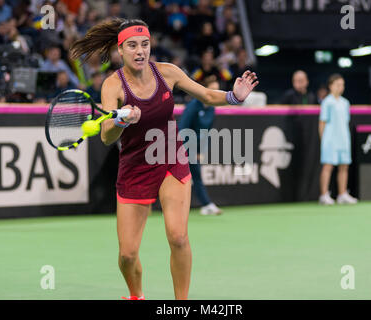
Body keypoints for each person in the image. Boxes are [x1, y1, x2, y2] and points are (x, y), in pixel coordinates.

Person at [70, 18, 258, 300]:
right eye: (132, 46)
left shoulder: (167, 72)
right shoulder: (112, 85)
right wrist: (122, 121)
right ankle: (136, 295)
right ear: (121, 51)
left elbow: (206, 94)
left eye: (144, 44)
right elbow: (107, 136)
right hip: (134, 168)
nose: (140, 51)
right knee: (127, 255)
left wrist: (234, 96)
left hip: (170, 157)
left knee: (178, 237)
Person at [178, 75, 222, 216]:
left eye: (217, 91)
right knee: (183, 176)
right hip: (181, 146)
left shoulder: (212, 109)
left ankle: (206, 204)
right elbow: (182, 128)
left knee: (195, 175)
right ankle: (207, 204)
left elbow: (207, 132)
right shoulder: (193, 106)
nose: (215, 94)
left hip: (194, 147)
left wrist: (199, 150)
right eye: (212, 90)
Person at [319, 74, 357, 205]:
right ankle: (324, 195)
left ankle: (342, 194)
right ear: (331, 86)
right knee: (328, 167)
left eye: (342, 85)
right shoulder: (327, 102)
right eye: (338, 84)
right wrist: (323, 140)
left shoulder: (345, 103)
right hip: (330, 140)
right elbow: (322, 123)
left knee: (344, 167)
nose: (340, 87)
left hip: (343, 139)